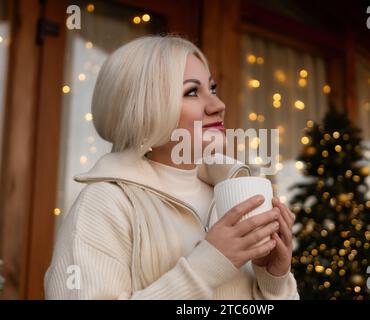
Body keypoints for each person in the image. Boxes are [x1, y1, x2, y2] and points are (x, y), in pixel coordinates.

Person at [44, 35, 299, 300]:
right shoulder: (106, 202)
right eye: (191, 92)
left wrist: (273, 281)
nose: (218, 105)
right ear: (143, 107)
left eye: (212, 89)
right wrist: (209, 264)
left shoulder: (229, 193)